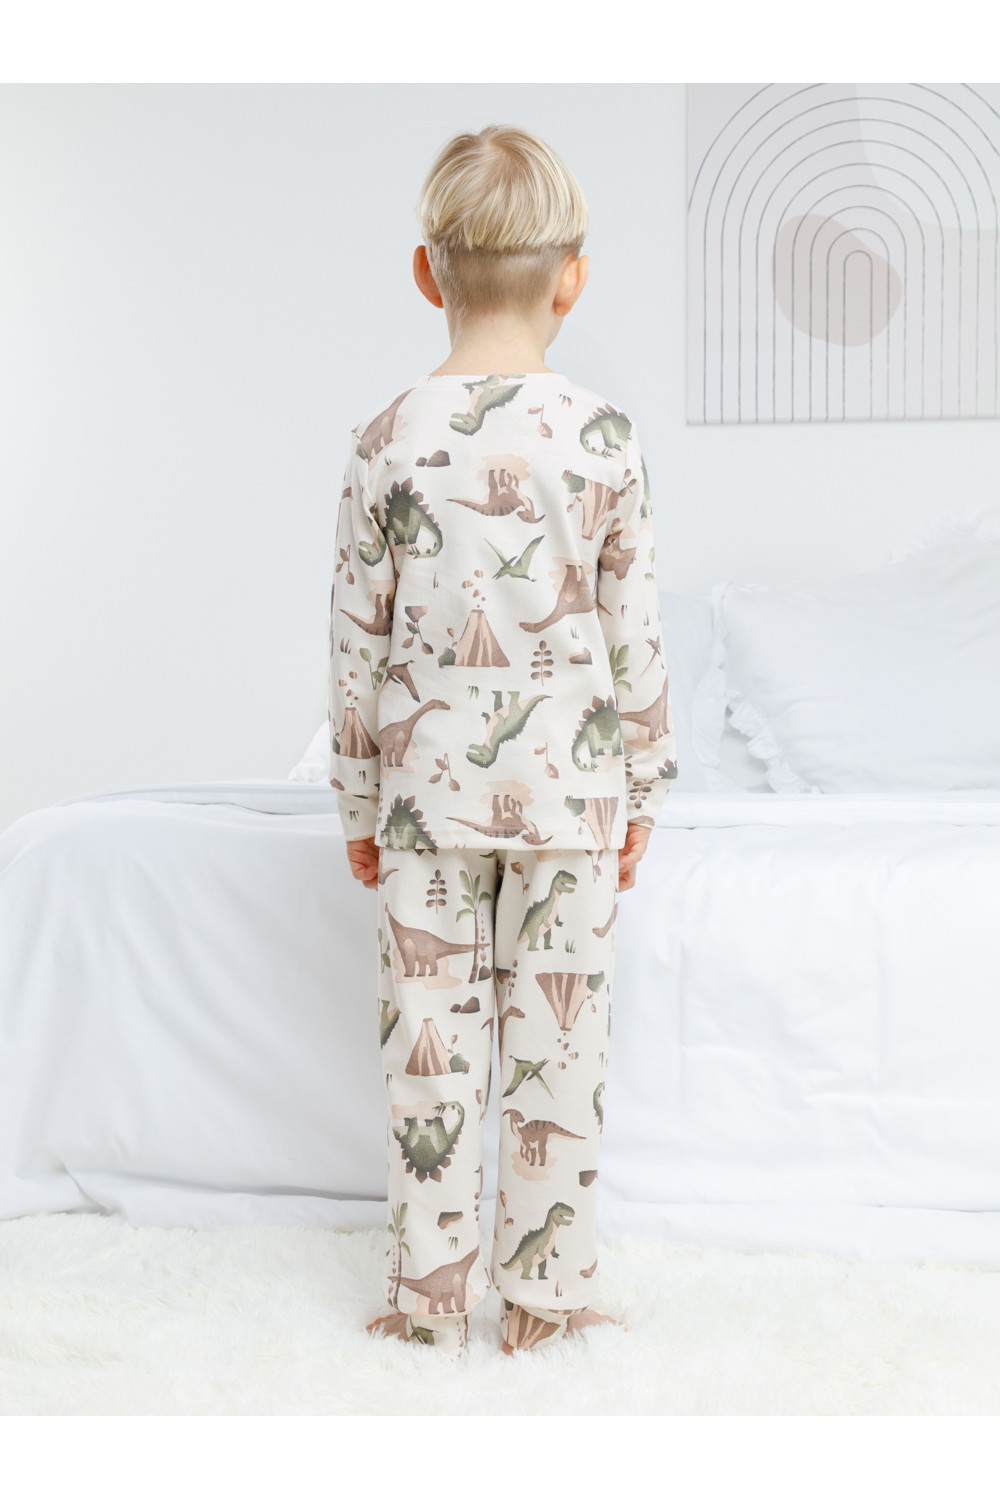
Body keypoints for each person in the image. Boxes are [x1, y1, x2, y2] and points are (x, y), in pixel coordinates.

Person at [328, 124, 677, 1358]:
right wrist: (642, 791)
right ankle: (544, 1301)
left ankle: (428, 1307)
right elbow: (634, 638)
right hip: (572, 799)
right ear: (571, 279)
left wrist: (357, 805)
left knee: (427, 1052)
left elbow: (356, 646)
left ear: (426, 273)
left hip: (425, 804)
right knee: (559, 1050)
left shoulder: (386, 439)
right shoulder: (603, 436)